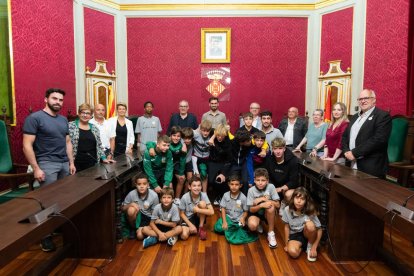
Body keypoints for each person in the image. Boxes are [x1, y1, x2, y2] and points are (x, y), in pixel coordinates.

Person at [22, 88, 76, 252]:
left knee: (62, 199)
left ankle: (57, 229)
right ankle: (45, 237)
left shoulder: (63, 120)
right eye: (54, 99)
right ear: (46, 99)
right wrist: (36, 168)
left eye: (60, 100)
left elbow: (67, 142)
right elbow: (26, 145)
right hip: (46, 164)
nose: (57, 102)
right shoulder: (35, 118)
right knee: (46, 201)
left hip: (63, 164)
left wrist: (71, 162)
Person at [342, 89, 392, 178]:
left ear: (374, 100)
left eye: (366, 98)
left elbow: (379, 139)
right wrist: (346, 151)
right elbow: (345, 136)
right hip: (350, 163)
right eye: (360, 99)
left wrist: (354, 153)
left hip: (370, 166)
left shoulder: (383, 116)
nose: (363, 101)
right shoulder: (354, 117)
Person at [214, 175, 258, 244]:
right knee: (217, 228)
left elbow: (246, 211)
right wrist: (225, 221)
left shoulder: (243, 198)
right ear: (229, 184)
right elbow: (223, 208)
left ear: (240, 185)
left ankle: (232, 230)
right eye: (232, 184)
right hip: (228, 218)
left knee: (235, 237)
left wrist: (243, 218)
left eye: (236, 185)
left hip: (238, 220)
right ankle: (228, 229)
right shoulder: (225, 195)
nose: (234, 187)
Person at [282, 187, 322, 262]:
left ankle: (309, 246)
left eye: (302, 199)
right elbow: (286, 227)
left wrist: (314, 246)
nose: (299, 201)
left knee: (310, 225)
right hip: (295, 235)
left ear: (306, 201)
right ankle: (302, 247)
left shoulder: (310, 210)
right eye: (297, 198)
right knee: (293, 253)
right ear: (293, 198)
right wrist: (286, 243)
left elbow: (319, 229)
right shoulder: (287, 209)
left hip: (307, 233)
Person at [147, 126, 186, 204]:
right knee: (166, 184)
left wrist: (181, 173)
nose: (176, 138)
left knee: (181, 178)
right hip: (163, 165)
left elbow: (182, 159)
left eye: (178, 136)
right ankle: (157, 203)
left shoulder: (182, 145)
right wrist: (151, 148)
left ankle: (175, 199)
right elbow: (151, 143)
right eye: (174, 135)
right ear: (170, 136)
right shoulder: (166, 140)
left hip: (174, 164)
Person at [68, 103, 112, 172]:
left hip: (92, 163)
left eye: (88, 113)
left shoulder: (94, 128)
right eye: (83, 112)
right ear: (79, 113)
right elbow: (67, 144)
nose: (85, 115)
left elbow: (99, 145)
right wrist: (71, 163)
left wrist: (104, 158)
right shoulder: (71, 126)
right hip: (75, 164)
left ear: (91, 115)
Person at [247, 168, 280, 248]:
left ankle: (271, 233)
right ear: (254, 180)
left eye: (263, 180)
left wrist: (264, 200)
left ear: (267, 181)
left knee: (271, 207)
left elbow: (278, 205)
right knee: (252, 225)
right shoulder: (251, 190)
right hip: (256, 213)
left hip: (267, 213)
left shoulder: (271, 187)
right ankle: (259, 223)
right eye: (258, 180)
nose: (260, 183)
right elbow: (251, 209)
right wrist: (261, 205)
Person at [265, 138, 299, 213]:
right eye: (275, 149)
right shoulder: (269, 159)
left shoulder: (293, 160)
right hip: (274, 186)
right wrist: (272, 188)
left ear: (284, 149)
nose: (278, 151)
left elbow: (293, 181)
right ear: (272, 149)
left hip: (287, 187)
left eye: (280, 148)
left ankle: (285, 204)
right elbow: (267, 177)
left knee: (288, 194)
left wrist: (280, 189)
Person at [122, 173, 159, 240]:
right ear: (136, 185)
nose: (142, 186)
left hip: (148, 218)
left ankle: (144, 232)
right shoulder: (131, 194)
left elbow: (155, 214)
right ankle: (133, 229)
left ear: (148, 185)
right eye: (139, 184)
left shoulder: (154, 195)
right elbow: (123, 208)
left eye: (144, 184)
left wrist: (150, 226)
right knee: (131, 209)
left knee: (140, 236)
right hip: (137, 217)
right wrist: (131, 204)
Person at [179, 176, 214, 240]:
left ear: (201, 187)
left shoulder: (203, 195)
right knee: (184, 236)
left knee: (202, 203)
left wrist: (198, 210)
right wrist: (190, 225)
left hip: (199, 217)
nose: (197, 188)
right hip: (188, 218)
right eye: (194, 186)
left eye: (199, 185)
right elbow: (181, 214)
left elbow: (212, 212)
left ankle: (200, 227)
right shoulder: (184, 197)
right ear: (189, 187)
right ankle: (192, 229)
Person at [208, 124, 233, 205]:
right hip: (213, 162)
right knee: (211, 181)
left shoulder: (228, 142)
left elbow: (228, 159)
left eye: (222, 136)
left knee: (222, 180)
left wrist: (223, 173)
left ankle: (220, 197)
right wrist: (213, 137)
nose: (220, 138)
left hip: (224, 162)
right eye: (218, 135)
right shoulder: (213, 136)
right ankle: (215, 196)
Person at [192, 120, 214, 192]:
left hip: (206, 158)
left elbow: (221, 131)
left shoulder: (212, 135)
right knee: (196, 176)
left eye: (207, 131)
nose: (205, 133)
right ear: (200, 129)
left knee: (204, 175)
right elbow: (186, 133)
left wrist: (213, 136)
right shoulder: (196, 134)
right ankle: (195, 193)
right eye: (203, 131)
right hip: (196, 157)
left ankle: (204, 194)